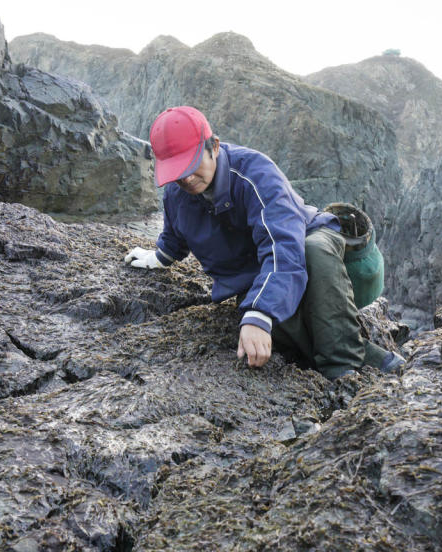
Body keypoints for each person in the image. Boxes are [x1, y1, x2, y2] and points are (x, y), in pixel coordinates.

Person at [124, 106, 403, 380]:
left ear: (215, 146)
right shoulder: (176, 192)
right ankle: (377, 360)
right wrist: (159, 257)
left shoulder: (256, 173)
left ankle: (343, 371)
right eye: (176, 169)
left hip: (304, 243)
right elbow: (176, 231)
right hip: (257, 272)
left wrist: (260, 312)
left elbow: (283, 246)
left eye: (191, 163)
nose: (185, 177)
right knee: (263, 311)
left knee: (311, 254)